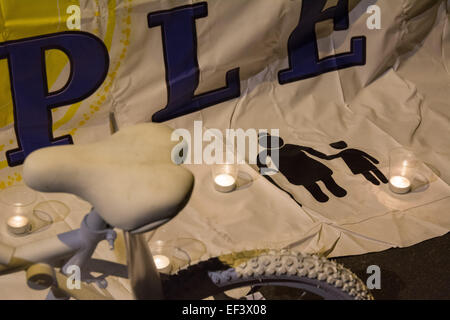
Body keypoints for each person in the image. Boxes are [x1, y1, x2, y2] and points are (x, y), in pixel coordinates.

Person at [257, 133, 346, 203]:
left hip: (299, 170)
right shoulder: (285, 147)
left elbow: (262, 165)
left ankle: (323, 193)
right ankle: (326, 192)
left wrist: (271, 170)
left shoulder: (280, 148)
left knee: (313, 182)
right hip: (304, 167)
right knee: (321, 179)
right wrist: (325, 157)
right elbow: (309, 149)